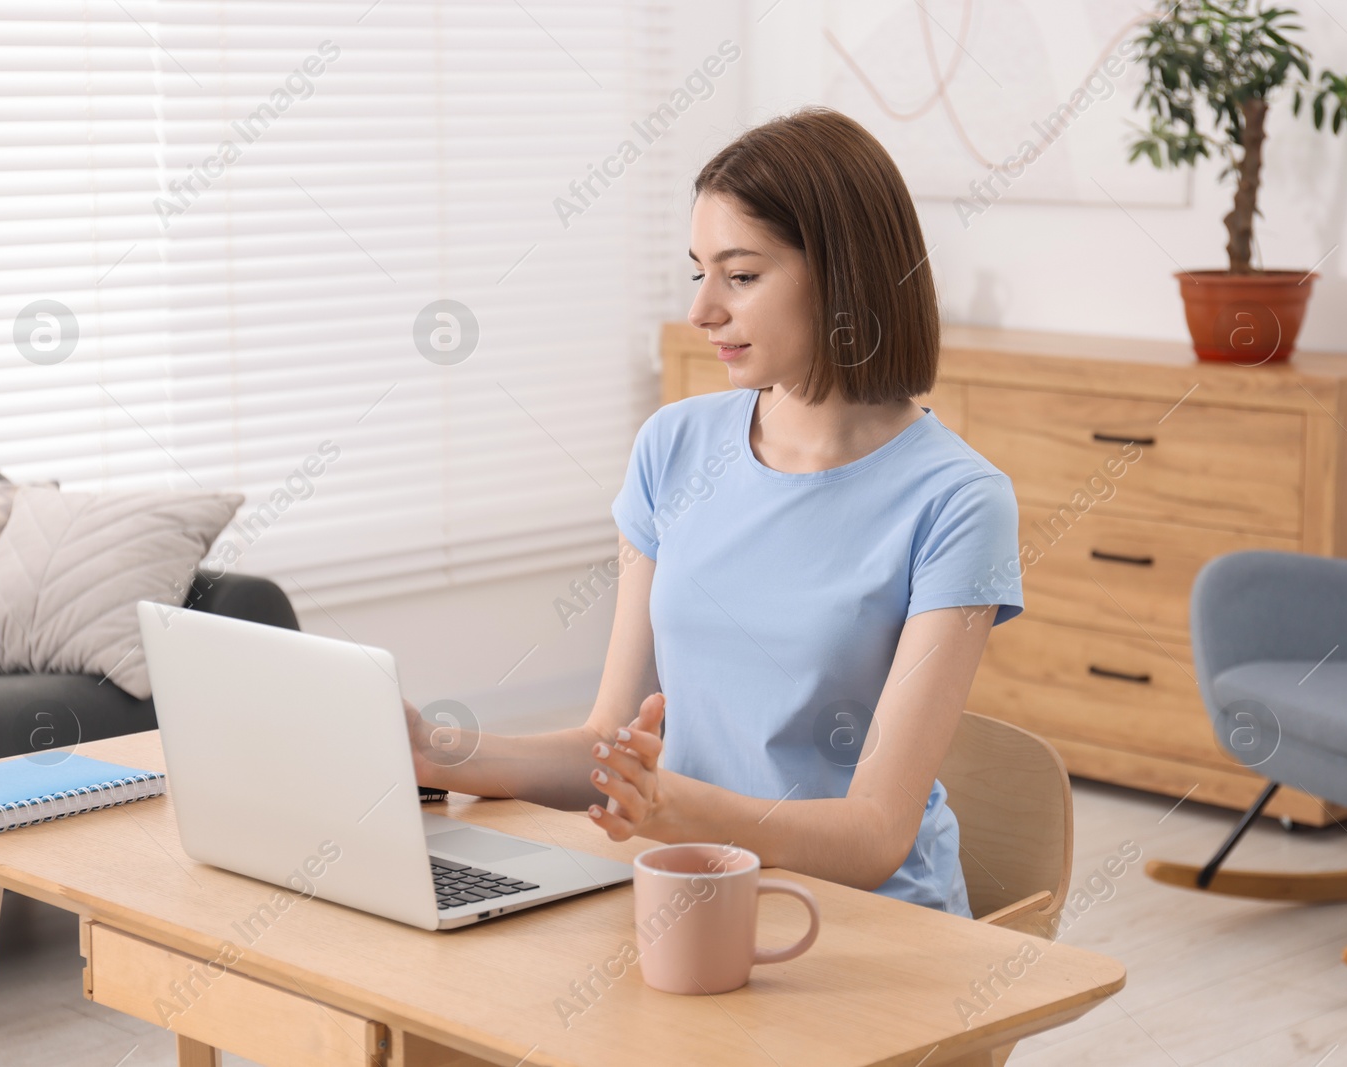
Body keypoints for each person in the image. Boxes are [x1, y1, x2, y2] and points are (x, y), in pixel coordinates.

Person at [406, 106, 1023, 916]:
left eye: (741, 275)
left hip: (863, 923)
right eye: (699, 272)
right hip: (689, 889)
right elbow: (610, 744)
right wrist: (432, 751)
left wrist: (670, 808)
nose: (703, 311)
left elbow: (874, 836)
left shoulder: (956, 500)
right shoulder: (675, 446)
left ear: (846, 276)